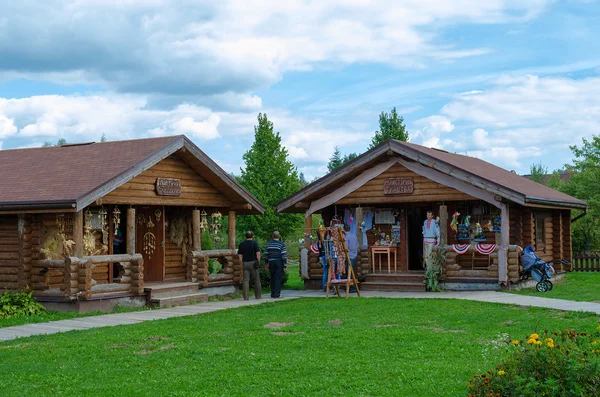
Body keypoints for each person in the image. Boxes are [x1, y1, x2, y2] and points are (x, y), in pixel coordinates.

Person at [237, 230, 261, 300]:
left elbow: (240, 255)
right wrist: (258, 261)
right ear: (252, 236)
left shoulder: (242, 244)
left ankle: (246, 297)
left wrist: (241, 263)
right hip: (253, 263)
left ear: (246, 236)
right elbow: (258, 254)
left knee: (245, 280)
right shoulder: (254, 243)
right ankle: (258, 296)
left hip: (245, 263)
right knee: (256, 280)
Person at [264, 231, 287, 299]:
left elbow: (266, 255)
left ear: (272, 236)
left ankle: (273, 293)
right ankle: (277, 294)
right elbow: (283, 256)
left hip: (271, 262)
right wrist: (285, 265)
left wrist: (266, 263)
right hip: (278, 261)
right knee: (278, 278)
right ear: (279, 236)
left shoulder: (268, 244)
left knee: (272, 277)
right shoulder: (281, 244)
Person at [344, 224, 359, 290]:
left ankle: (352, 287)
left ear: (344, 230)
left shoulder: (346, 237)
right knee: (353, 271)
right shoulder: (354, 236)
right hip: (355, 255)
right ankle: (353, 287)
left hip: (349, 256)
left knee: (349, 272)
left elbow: (346, 248)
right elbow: (357, 245)